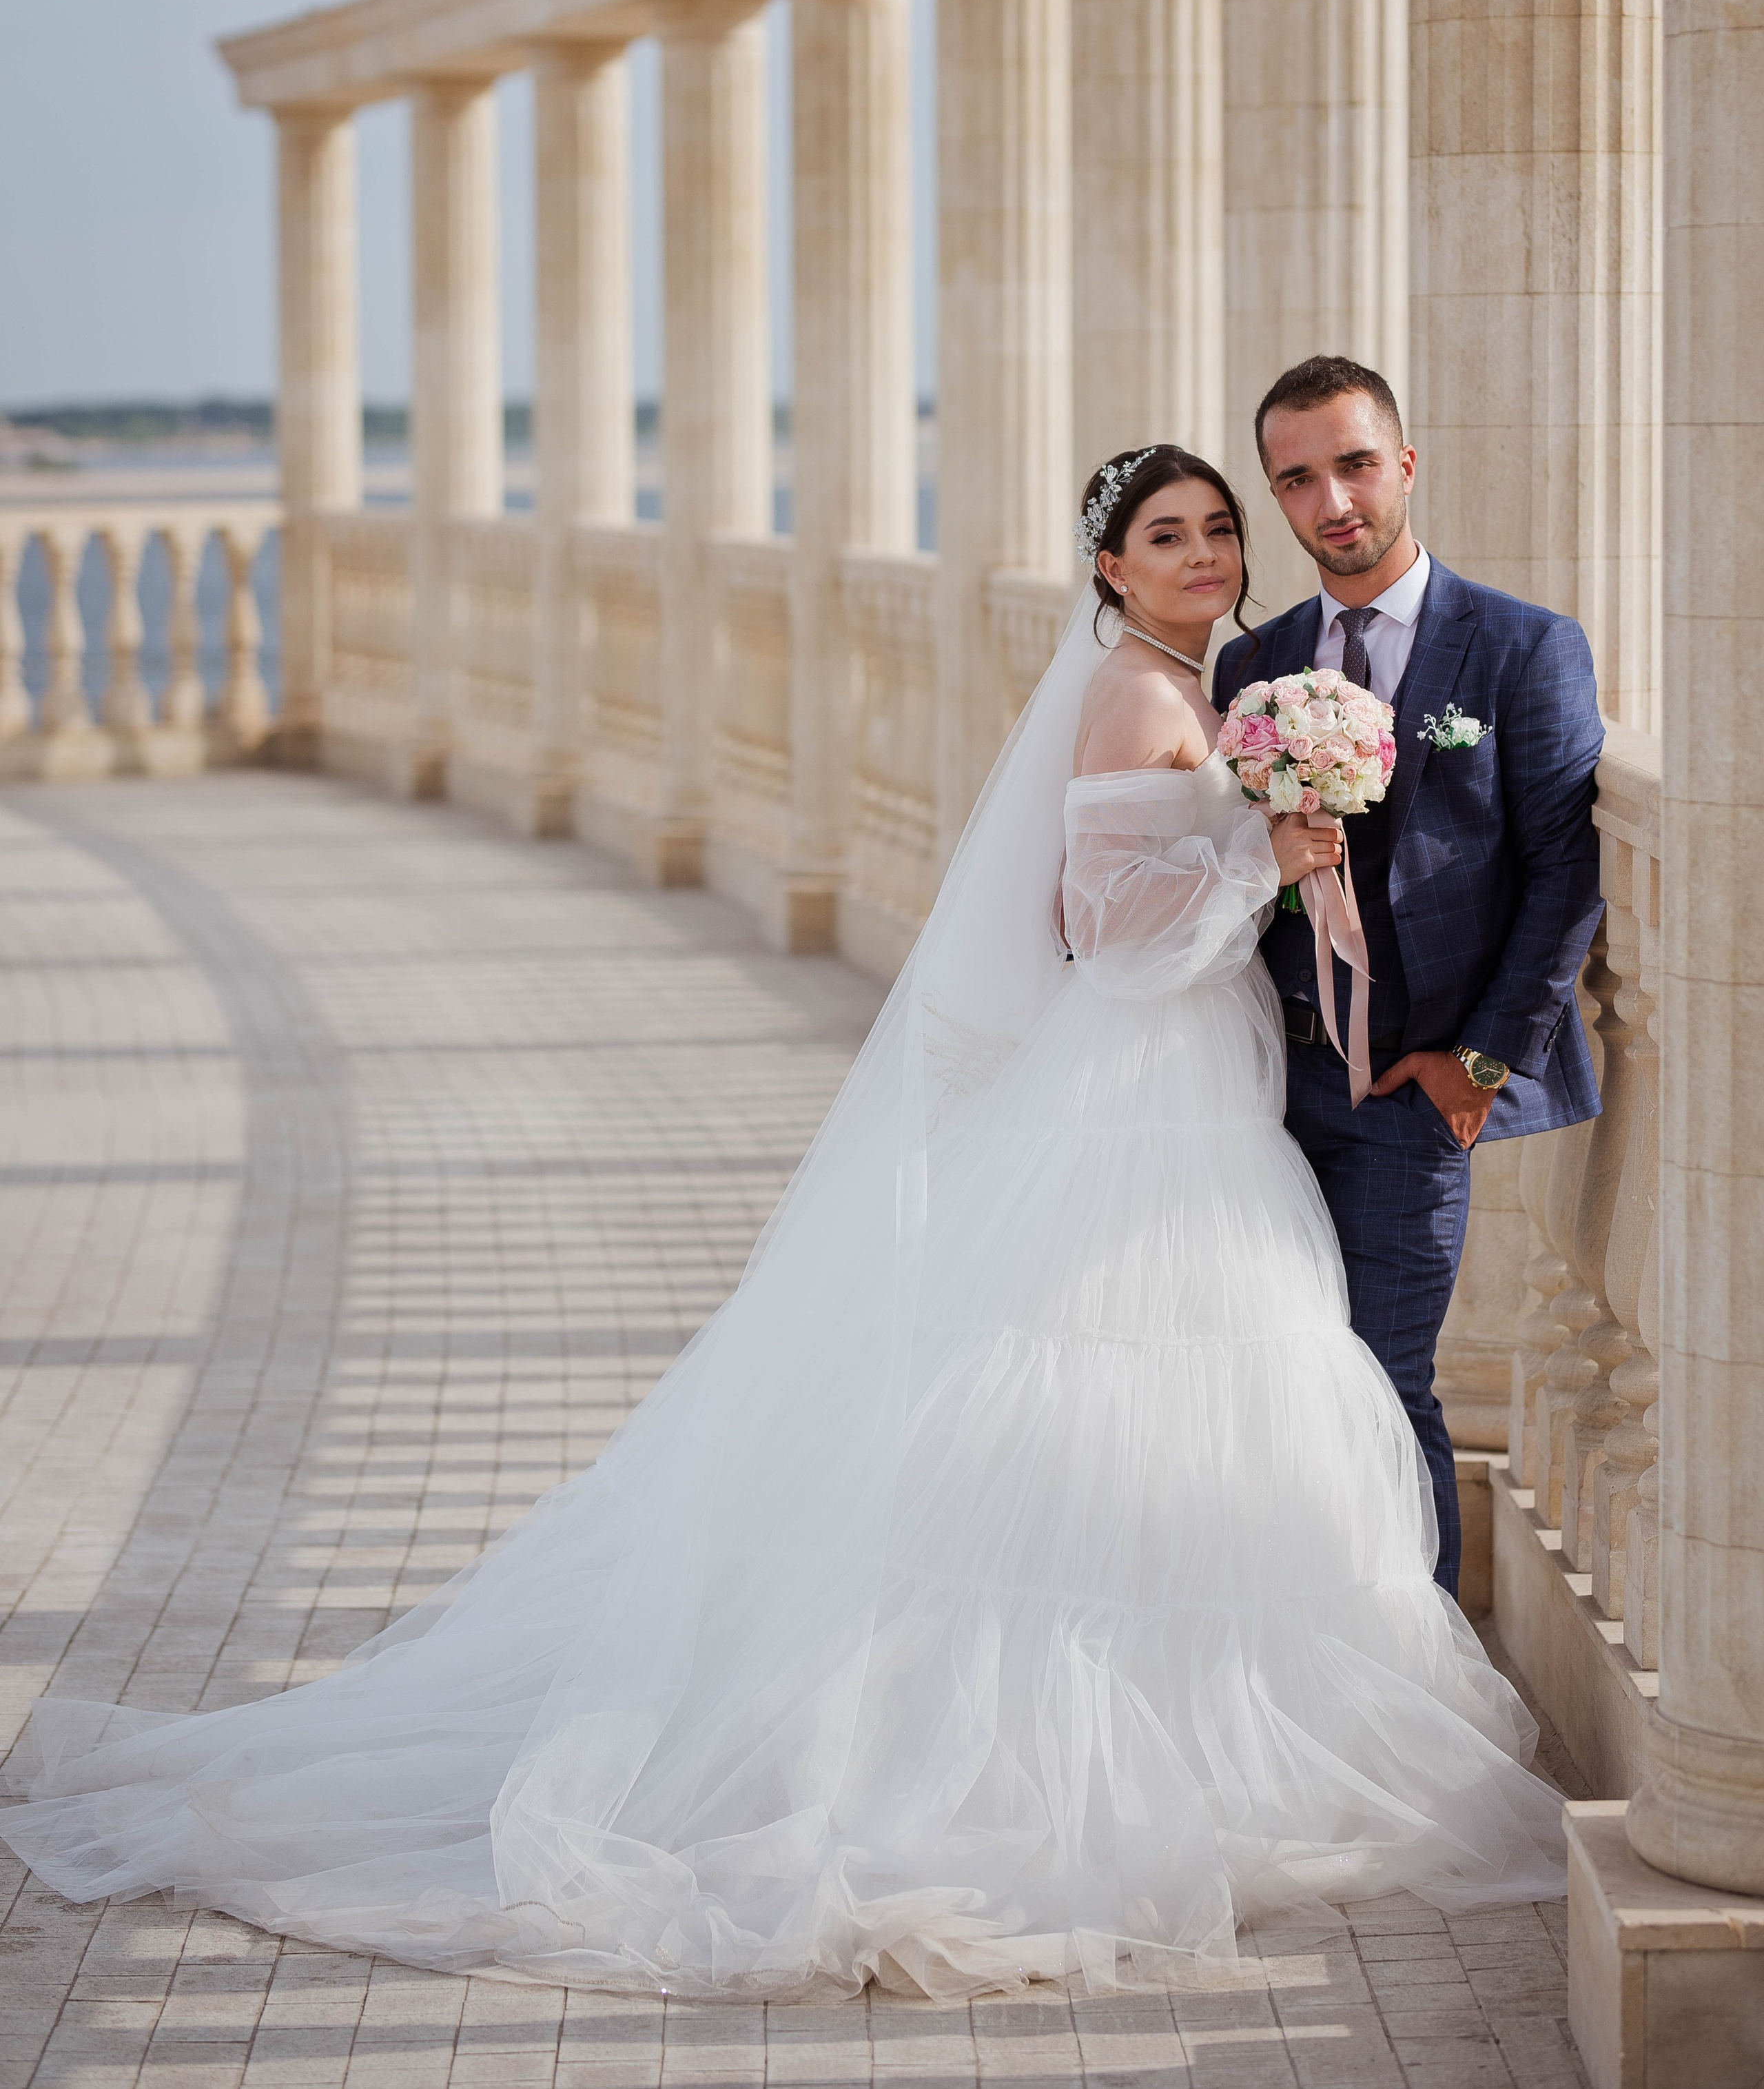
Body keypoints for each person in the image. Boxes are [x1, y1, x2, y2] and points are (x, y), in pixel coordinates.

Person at [0, 443, 1567, 2001]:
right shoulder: (1140, 697)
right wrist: (1260, 860)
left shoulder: (1196, 679)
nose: (1206, 555)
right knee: (1095, 1375)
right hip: (1138, 1081)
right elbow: (1103, 930)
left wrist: (1254, 837)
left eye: (1220, 529)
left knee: (1207, 1383)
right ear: (1107, 568)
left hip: (1197, 1076)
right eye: (1168, 536)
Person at [1213, 358, 1605, 1600]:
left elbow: (1566, 875)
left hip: (1412, 1094)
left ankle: (1426, 1670)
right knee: (1266, 1382)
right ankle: (1301, 1643)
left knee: (1385, 1383)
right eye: (1298, 477)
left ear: (1406, 465)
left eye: (1355, 463)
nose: (1333, 499)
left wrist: (1482, 1061)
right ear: (1276, 496)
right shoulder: (1251, 667)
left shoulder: (1522, 649)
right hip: (1261, 1094)